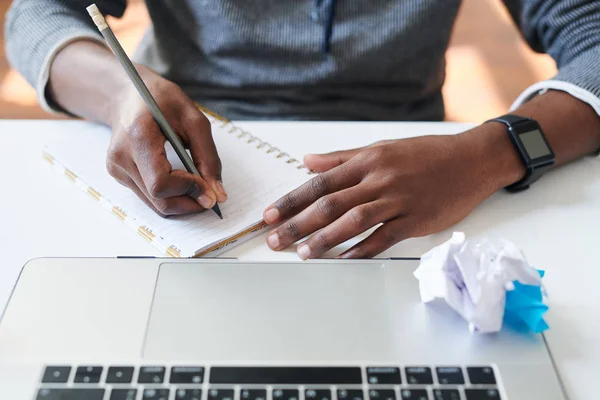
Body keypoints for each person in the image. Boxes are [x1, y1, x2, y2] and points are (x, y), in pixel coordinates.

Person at [5, 1, 600, 259]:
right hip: (184, 137)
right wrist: (118, 92)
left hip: (414, 173)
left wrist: (486, 154)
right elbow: (37, 12)